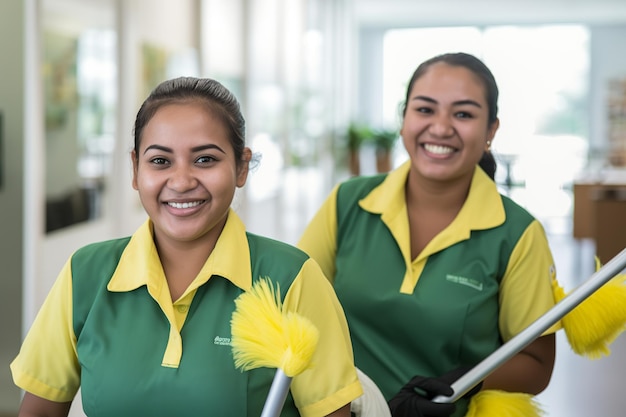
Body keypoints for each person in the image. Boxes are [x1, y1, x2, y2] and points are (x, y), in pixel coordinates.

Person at [11, 77, 362, 417]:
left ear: (241, 166)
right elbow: (39, 410)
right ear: (135, 169)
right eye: (160, 161)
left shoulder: (292, 279)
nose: (181, 182)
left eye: (205, 159)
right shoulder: (84, 274)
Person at [298, 52, 559, 417]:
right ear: (404, 119)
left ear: (491, 131)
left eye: (463, 114)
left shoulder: (517, 233)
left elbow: (537, 363)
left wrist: (464, 382)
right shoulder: (347, 203)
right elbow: (293, 308)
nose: (440, 127)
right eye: (424, 109)